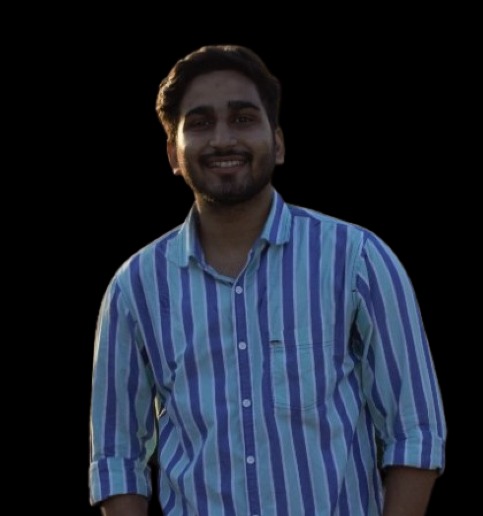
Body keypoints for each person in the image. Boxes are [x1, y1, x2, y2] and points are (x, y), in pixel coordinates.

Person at [88, 44, 447, 515]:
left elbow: (415, 432)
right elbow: (117, 457)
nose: (222, 139)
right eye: (200, 123)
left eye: (243, 118)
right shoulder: (134, 288)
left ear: (278, 143)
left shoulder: (357, 260)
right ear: (173, 152)